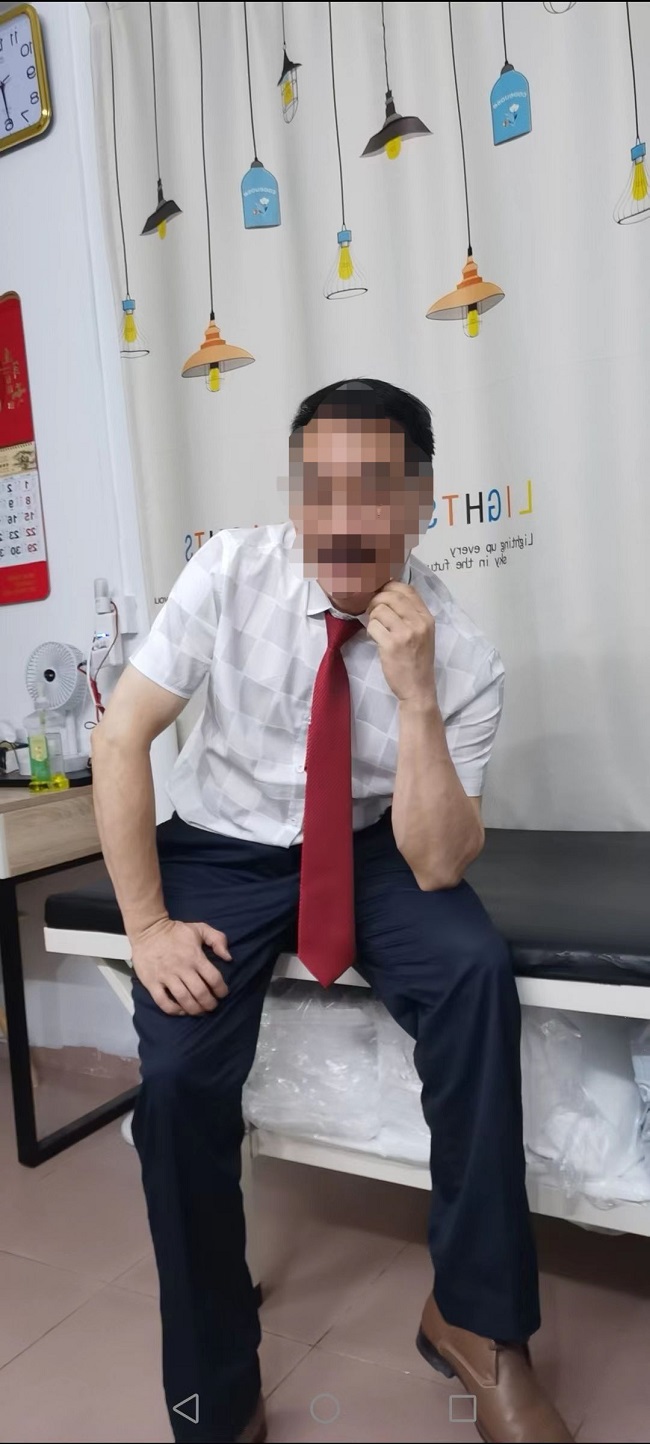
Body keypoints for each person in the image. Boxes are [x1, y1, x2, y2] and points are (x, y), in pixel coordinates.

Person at [92, 379, 571, 1444]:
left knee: (472, 972)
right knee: (175, 1080)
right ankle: (211, 1384)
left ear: (422, 502)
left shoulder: (464, 654)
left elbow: (437, 863)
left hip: (373, 848)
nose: (342, 517)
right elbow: (121, 738)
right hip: (221, 846)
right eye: (319, 487)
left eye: (373, 488)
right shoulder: (229, 572)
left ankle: (476, 1321)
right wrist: (147, 926)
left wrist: (415, 693)